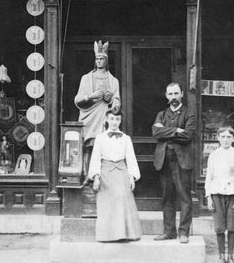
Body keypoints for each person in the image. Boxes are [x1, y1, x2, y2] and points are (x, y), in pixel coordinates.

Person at [88, 110, 142, 242]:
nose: (114, 122)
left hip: (122, 171)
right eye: (112, 119)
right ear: (106, 119)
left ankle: (125, 234)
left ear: (120, 121)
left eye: (117, 119)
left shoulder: (126, 138)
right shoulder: (100, 138)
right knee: (106, 202)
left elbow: (130, 158)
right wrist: (96, 176)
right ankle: (106, 235)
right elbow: (95, 158)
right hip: (105, 171)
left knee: (122, 199)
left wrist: (132, 177)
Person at [152, 82, 196, 244]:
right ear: (166, 96)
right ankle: (168, 231)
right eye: (170, 94)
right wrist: (177, 130)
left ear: (182, 94)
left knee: (184, 197)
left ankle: (183, 233)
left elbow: (187, 136)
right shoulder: (161, 114)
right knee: (167, 197)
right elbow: (155, 132)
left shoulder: (189, 114)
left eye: (176, 93)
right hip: (164, 160)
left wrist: (166, 132)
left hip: (182, 161)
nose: (173, 97)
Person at [74, 40, 121, 181]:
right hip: (89, 117)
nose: (99, 61)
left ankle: (100, 176)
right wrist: (90, 96)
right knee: (88, 147)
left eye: (102, 59)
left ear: (106, 61)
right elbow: (77, 99)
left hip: (103, 117)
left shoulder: (113, 81)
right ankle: (87, 175)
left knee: (102, 148)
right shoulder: (86, 78)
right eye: (97, 59)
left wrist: (111, 101)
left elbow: (117, 102)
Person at [205, 126, 234, 263]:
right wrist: (208, 197)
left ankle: (230, 255)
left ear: (233, 139)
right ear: (218, 138)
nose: (225, 140)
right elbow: (209, 177)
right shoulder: (213, 155)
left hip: (232, 194)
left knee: (231, 226)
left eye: (229, 137)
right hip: (217, 194)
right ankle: (221, 255)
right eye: (223, 137)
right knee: (219, 227)